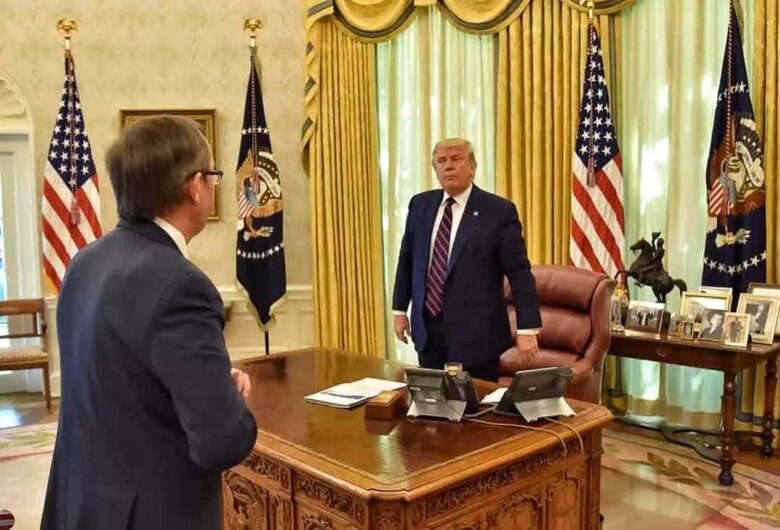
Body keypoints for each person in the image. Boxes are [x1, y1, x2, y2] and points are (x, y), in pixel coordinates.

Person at [41, 116, 258, 530]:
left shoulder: (85, 262)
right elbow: (221, 441)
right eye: (213, 176)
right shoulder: (181, 285)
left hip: (81, 504)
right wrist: (227, 403)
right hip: (149, 513)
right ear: (195, 187)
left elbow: (115, 379)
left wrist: (204, 380)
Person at [392, 138, 542, 381]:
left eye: (456, 159)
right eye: (442, 161)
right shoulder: (420, 205)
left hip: (478, 339)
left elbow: (519, 273)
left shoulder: (498, 211)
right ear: (435, 169)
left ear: (472, 167)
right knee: (432, 401)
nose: (448, 166)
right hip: (428, 333)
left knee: (476, 404)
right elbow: (407, 259)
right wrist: (399, 310)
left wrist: (527, 329)